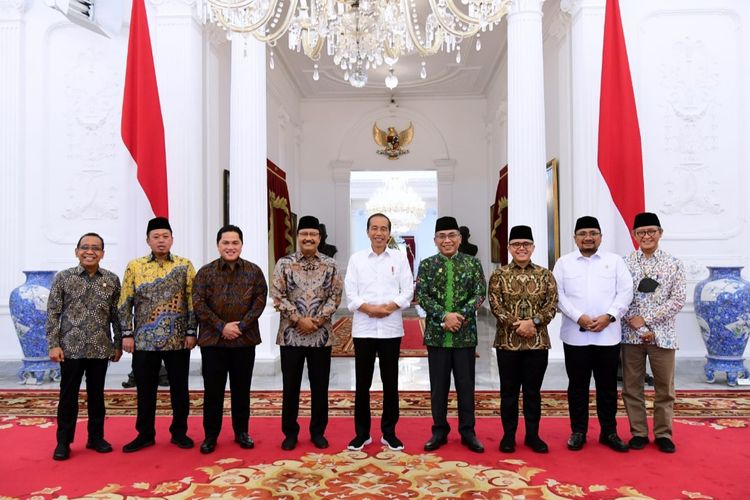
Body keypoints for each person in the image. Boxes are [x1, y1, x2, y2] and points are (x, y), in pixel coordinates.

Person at [552, 216, 633, 452]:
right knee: (577, 386)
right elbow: (557, 294)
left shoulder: (615, 261)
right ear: (575, 237)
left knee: (607, 386)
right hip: (575, 335)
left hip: (608, 335)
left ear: (600, 236)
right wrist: (578, 316)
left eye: (593, 233)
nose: (588, 237)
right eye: (583, 233)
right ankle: (578, 431)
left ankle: (609, 432)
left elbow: (625, 291)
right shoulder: (564, 263)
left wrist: (609, 315)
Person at [118, 217, 197, 453]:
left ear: (172, 239)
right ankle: (145, 434)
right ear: (148, 240)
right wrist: (126, 334)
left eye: (165, 236)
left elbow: (193, 300)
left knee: (179, 389)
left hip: (178, 340)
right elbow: (125, 303)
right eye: (156, 237)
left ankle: (179, 432)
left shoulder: (184, 265)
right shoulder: (135, 266)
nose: (161, 241)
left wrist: (192, 332)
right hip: (143, 341)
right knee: (145, 390)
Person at [46, 233, 122, 461]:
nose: (90, 251)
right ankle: (63, 442)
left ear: (102, 253)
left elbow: (116, 316)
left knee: (96, 395)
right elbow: (53, 313)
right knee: (68, 395)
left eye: (96, 248)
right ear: (76, 251)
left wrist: (117, 343)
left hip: (100, 347)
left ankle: (96, 438)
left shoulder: (111, 280)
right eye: (85, 247)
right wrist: (53, 344)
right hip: (70, 347)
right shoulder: (64, 278)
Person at [192, 224, 267, 454]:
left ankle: (241, 432)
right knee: (212, 390)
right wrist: (222, 326)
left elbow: (260, 301)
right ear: (218, 245)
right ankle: (210, 436)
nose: (230, 247)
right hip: (213, 342)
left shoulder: (254, 271)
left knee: (241, 389)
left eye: (235, 243)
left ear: (241, 245)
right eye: (226, 242)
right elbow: (198, 304)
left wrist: (240, 327)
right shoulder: (205, 272)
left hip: (244, 341)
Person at [271, 216, 343, 451]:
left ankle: (317, 432)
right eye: (304, 234)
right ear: (298, 237)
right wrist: (298, 319)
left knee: (319, 387)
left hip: (320, 336)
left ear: (319, 238)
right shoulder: (284, 263)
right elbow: (277, 295)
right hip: (291, 335)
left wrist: (319, 319)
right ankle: (290, 432)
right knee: (290, 386)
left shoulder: (330, 265)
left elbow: (336, 295)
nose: (308, 238)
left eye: (313, 234)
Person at [415, 216, 486, 453]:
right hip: (437, 335)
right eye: (442, 236)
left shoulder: (472, 264)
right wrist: (444, 316)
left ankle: (468, 432)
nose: (447, 240)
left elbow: (479, 294)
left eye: (451, 235)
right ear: (435, 240)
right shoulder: (427, 264)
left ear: (460, 238)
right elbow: (422, 296)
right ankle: (439, 431)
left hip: (464, 335)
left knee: (466, 386)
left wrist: (459, 316)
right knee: (439, 387)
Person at [344, 213, 414, 451]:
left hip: (391, 329)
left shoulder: (399, 257)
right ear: (367, 232)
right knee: (362, 384)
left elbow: (408, 289)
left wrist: (389, 307)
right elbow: (351, 293)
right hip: (363, 328)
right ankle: (361, 434)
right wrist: (369, 308)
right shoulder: (356, 259)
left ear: (389, 233)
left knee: (390, 382)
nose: (379, 233)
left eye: (384, 229)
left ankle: (389, 432)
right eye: (374, 228)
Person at [488, 225, 558, 454]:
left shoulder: (545, 275)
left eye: (526, 244)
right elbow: (495, 305)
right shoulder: (499, 275)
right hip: (507, 342)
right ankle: (508, 436)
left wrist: (534, 323)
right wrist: (518, 325)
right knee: (508, 392)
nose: (521, 248)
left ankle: (532, 435)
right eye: (516, 244)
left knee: (532, 392)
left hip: (537, 343)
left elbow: (552, 304)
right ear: (509, 248)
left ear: (533, 247)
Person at [622, 212, 686, 453]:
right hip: (631, 336)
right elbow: (621, 298)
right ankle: (638, 432)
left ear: (660, 233)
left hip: (664, 335)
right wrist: (638, 326)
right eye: (641, 232)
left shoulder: (674, 263)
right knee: (632, 387)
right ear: (634, 235)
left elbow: (678, 300)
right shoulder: (625, 263)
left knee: (664, 388)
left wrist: (646, 321)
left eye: (651, 231)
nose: (646, 236)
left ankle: (663, 434)